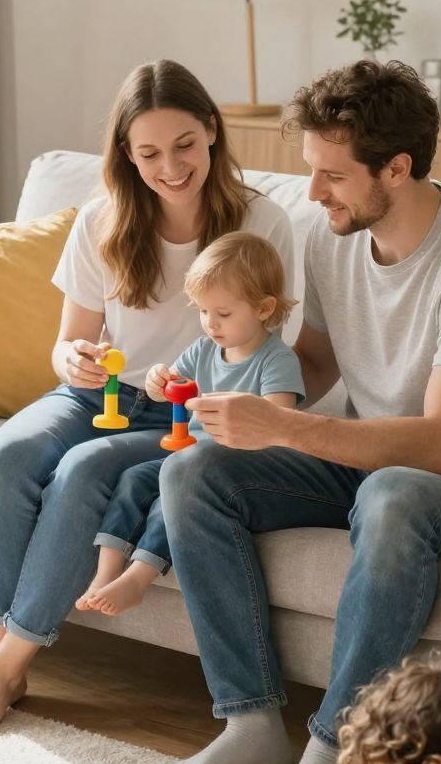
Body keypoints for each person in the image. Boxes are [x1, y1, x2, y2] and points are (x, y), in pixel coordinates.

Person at [151, 59, 441, 764]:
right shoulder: (333, 237)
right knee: (194, 473)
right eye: (311, 170)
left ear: (396, 169)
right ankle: (250, 722)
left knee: (393, 492)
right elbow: (314, 363)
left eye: (332, 176)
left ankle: (335, 750)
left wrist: (284, 428)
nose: (312, 193)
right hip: (365, 459)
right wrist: (225, 391)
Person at [0, 59, 297, 739]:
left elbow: (267, 351)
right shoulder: (102, 220)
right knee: (6, 457)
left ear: (211, 131)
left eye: (184, 145)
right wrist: (72, 358)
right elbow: (68, 342)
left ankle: (4, 668)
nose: (171, 167)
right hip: (103, 394)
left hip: (190, 412)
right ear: (127, 154)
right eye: (149, 153)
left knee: (82, 472)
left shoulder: (261, 221)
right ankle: (0, 661)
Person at [76, 231, 304, 617]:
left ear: (264, 308)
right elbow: (171, 390)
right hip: (189, 457)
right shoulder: (204, 350)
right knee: (133, 480)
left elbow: (279, 425)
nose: (210, 324)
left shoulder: (276, 360)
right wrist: (158, 381)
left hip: (232, 468)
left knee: (172, 499)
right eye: (202, 311)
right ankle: (106, 572)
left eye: (223, 314)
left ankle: (139, 577)